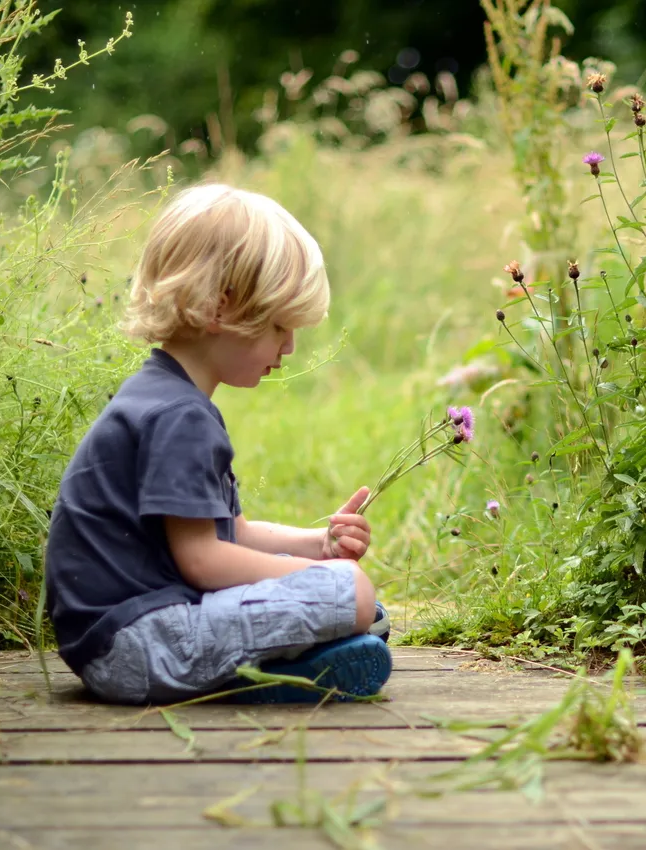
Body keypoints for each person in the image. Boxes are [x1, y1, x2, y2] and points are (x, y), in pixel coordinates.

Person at [43, 183, 392, 706]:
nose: (290, 346)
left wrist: (315, 546)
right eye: (279, 325)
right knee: (351, 594)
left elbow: (234, 533)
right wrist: (329, 576)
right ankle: (270, 676)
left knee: (361, 604)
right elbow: (203, 562)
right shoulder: (180, 416)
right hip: (138, 645)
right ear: (219, 309)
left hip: (120, 639)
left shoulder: (166, 397)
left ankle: (294, 664)